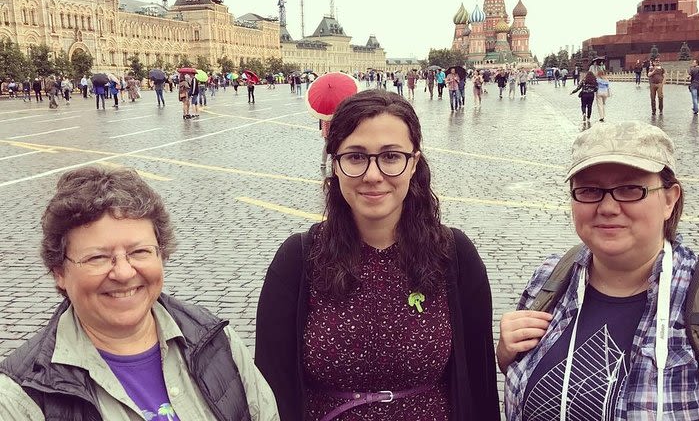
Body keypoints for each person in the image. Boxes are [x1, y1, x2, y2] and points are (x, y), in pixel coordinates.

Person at [256, 90, 500, 421]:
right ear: (336, 164)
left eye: (391, 156)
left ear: (413, 163)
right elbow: (270, 388)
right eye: (356, 156)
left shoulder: (455, 257)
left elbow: (479, 382)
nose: (373, 175)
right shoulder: (297, 261)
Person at [0, 166, 279, 420]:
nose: (123, 273)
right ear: (59, 271)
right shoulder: (20, 397)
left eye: (139, 252)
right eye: (97, 257)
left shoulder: (216, 341)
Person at [497, 121, 699, 421]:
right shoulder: (549, 279)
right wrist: (505, 355)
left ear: (669, 199)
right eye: (590, 190)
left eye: (630, 189)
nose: (608, 207)